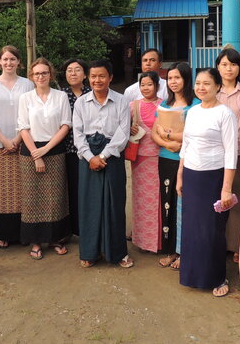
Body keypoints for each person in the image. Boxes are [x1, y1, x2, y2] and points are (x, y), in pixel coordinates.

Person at [177, 68, 238, 296]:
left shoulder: (225, 114)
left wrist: (226, 188)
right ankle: (192, 274)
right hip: (192, 175)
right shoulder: (192, 112)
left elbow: (231, 152)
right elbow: (186, 145)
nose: (201, 87)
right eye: (198, 83)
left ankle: (217, 277)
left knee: (212, 229)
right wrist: (181, 175)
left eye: (207, 84)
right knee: (192, 228)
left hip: (214, 178)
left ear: (217, 87)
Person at [73, 59, 133, 268]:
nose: (97, 80)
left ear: (110, 78)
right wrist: (91, 157)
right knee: (89, 204)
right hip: (87, 156)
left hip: (113, 156)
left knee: (114, 204)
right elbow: (77, 133)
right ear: (88, 78)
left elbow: (123, 132)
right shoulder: (81, 102)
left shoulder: (121, 101)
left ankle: (117, 253)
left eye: (101, 76)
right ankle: (89, 252)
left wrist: (104, 156)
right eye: (93, 76)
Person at [17, 58, 72, 260]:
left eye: (44, 73)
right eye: (37, 73)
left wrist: (47, 149)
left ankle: (56, 238)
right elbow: (23, 127)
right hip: (31, 151)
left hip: (55, 149)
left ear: (51, 75)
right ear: (31, 77)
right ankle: (36, 241)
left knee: (55, 197)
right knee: (32, 199)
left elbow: (66, 125)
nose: (41, 76)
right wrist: (36, 154)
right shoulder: (26, 98)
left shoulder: (60, 97)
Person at [0, 45, 34, 248]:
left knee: (23, 189)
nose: (9, 63)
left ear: (19, 62)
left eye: (12, 59)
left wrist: (17, 139)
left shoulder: (28, 84)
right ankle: (4, 234)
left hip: (23, 142)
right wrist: (4, 140)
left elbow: (30, 113)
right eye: (5, 59)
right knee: (2, 191)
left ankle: (25, 233)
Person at [151, 62, 200, 269]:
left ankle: (185, 251)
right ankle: (171, 250)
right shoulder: (164, 104)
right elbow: (154, 132)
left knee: (185, 206)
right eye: (170, 78)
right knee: (167, 204)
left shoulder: (196, 105)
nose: (173, 82)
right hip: (166, 159)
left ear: (186, 79)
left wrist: (172, 137)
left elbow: (194, 132)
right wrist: (168, 143)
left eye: (177, 77)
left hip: (188, 161)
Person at [215, 47, 240, 262]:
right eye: (224, 64)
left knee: (236, 198)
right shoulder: (212, 90)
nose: (228, 68)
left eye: (233, 64)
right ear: (218, 67)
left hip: (238, 153)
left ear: (239, 67)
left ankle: (238, 244)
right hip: (214, 154)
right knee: (216, 198)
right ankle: (219, 242)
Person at [129, 71, 163, 253]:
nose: (146, 88)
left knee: (158, 200)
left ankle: (158, 241)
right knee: (141, 200)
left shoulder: (164, 105)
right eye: (143, 85)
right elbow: (119, 126)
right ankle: (142, 240)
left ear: (157, 86)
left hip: (160, 157)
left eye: (149, 84)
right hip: (140, 159)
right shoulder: (132, 106)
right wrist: (129, 127)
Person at [61, 58, 91, 236]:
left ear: (85, 74)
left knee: (87, 188)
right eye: (69, 70)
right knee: (70, 188)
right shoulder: (61, 95)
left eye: (77, 70)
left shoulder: (92, 92)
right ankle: (73, 227)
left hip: (90, 149)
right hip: (68, 148)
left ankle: (88, 225)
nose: (73, 73)